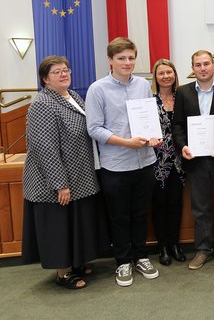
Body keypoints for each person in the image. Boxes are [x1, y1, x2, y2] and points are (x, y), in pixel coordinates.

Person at [22, 56, 107, 289]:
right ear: (45, 79)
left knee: (75, 222)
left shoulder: (73, 96)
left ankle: (76, 263)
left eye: (66, 70)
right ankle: (64, 272)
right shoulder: (42, 103)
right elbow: (44, 148)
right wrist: (60, 184)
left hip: (79, 175)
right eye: (57, 72)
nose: (63, 74)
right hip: (55, 182)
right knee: (60, 226)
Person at [86, 37, 160, 287]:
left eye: (130, 58)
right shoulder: (97, 89)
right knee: (119, 217)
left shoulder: (142, 85)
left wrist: (153, 137)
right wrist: (126, 142)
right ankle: (123, 262)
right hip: (115, 166)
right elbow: (94, 128)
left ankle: (141, 256)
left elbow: (148, 118)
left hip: (145, 162)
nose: (127, 63)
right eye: (121, 58)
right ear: (110, 61)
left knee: (140, 214)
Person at [173, 50, 214, 270]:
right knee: (200, 208)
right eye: (198, 65)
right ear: (192, 68)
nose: (202, 68)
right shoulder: (182, 92)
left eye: (206, 64)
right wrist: (183, 146)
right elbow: (178, 125)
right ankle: (203, 249)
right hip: (195, 159)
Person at [150, 59, 186, 266]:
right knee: (159, 203)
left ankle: (175, 244)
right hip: (156, 161)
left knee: (176, 202)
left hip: (181, 160)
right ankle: (162, 246)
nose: (166, 76)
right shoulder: (149, 101)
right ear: (155, 77)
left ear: (174, 74)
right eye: (161, 73)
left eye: (169, 72)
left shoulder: (181, 98)